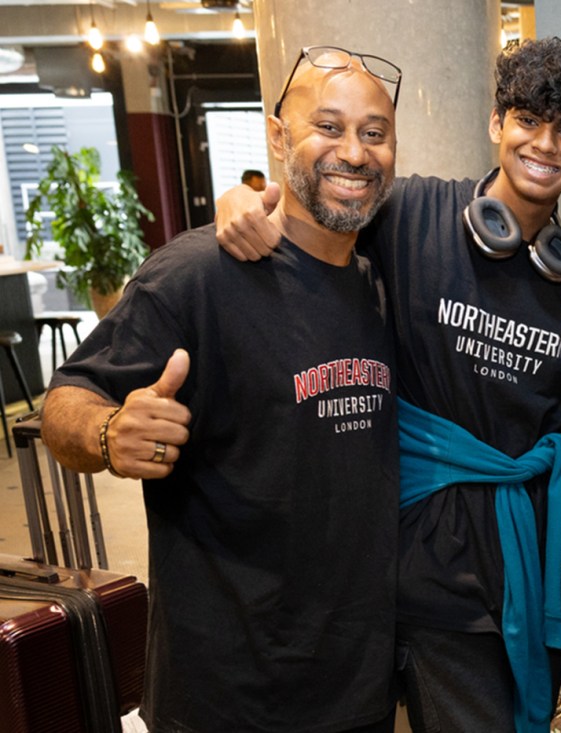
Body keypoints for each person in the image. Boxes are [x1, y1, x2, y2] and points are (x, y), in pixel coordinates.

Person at [215, 37, 561, 733]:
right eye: (529, 119)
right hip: (405, 567)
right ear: (497, 122)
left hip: (515, 570)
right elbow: (319, 213)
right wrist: (247, 198)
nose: (545, 144)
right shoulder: (408, 214)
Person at [40, 46, 402, 732]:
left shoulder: (383, 277)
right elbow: (65, 403)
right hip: (226, 692)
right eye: (328, 126)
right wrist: (111, 432)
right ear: (276, 134)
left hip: (355, 686)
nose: (354, 152)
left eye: (374, 132)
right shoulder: (196, 275)